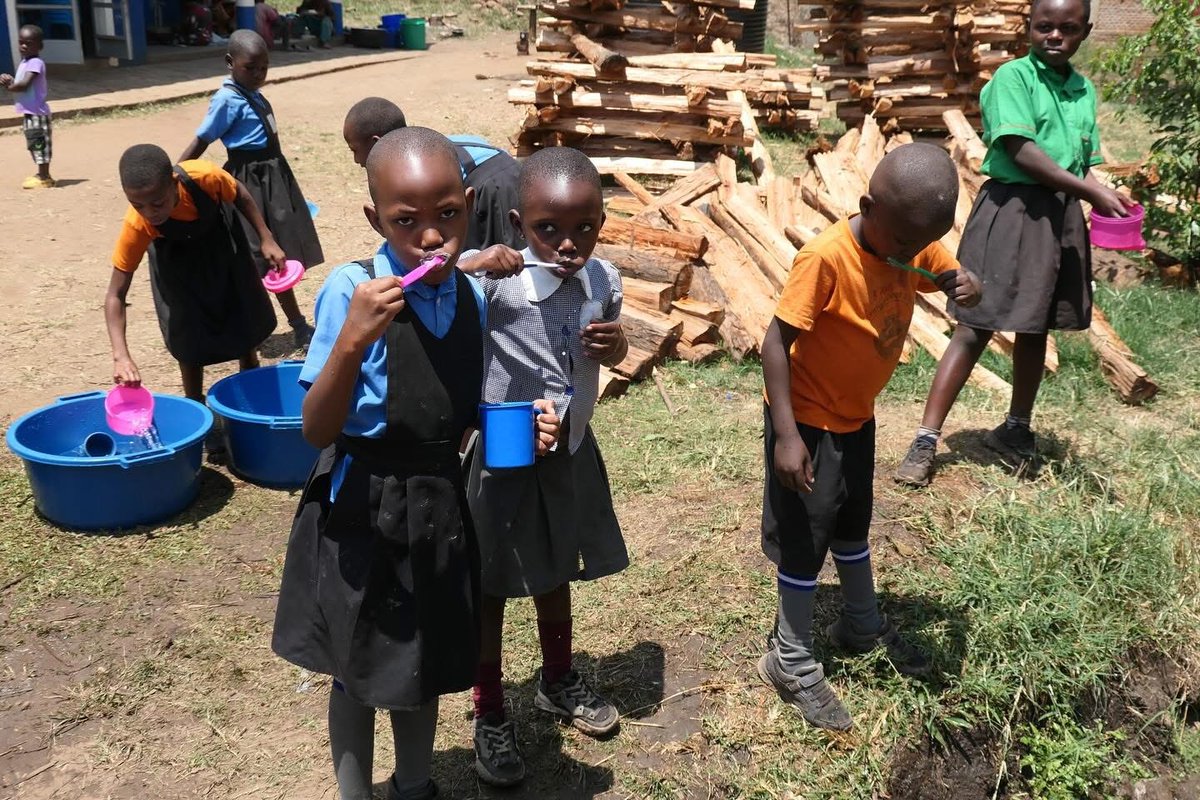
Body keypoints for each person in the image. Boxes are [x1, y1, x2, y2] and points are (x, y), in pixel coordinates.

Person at [270, 127, 558, 800]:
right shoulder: (354, 290)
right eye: (407, 222)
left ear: (469, 202)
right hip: (360, 509)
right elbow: (317, 429)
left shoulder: (468, 299)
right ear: (375, 220)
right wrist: (349, 343)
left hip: (437, 506)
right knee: (357, 667)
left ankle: (417, 783)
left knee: (419, 660)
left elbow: (464, 414)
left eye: (447, 216)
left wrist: (522, 424)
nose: (431, 238)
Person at [757, 143, 982, 731]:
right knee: (807, 538)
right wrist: (786, 435)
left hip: (856, 417)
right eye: (903, 245)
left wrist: (964, 284)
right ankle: (790, 656)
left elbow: (944, 268)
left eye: (918, 244)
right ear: (867, 208)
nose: (911, 255)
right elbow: (774, 344)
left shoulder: (908, 235)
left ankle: (860, 621)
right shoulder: (826, 258)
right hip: (807, 422)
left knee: (853, 521)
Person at [894, 0, 1133, 487]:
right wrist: (1088, 190)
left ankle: (1015, 428)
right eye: (1044, 27)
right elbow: (1020, 151)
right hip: (1011, 210)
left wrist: (1107, 191)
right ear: (1030, 27)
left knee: (1035, 323)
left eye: (1067, 29)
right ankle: (925, 438)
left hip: (1059, 215)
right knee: (975, 322)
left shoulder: (1082, 89)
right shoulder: (1012, 80)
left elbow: (1080, 160)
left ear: (1085, 31)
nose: (1054, 37)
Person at [458, 147, 629, 787]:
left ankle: (556, 677)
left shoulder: (603, 281)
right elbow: (434, 300)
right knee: (494, 583)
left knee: (556, 563)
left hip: (570, 452)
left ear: (603, 220)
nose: (567, 244)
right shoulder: (493, 286)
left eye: (585, 227)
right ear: (516, 222)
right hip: (502, 463)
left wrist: (618, 342)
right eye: (547, 229)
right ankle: (489, 708)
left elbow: (611, 344)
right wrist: (469, 263)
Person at [103, 144, 279, 415]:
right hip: (178, 271)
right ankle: (197, 407)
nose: (150, 212)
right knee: (189, 338)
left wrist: (266, 237)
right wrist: (121, 355)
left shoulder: (204, 177)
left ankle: (251, 388)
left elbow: (240, 194)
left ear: (174, 184)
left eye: (157, 203)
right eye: (138, 205)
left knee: (242, 317)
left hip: (224, 253)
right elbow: (116, 294)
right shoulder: (137, 225)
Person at [179, 29, 322, 349]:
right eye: (250, 67)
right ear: (230, 63)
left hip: (272, 178)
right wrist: (177, 176)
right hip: (250, 183)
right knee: (260, 255)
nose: (258, 74)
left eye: (264, 67)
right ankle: (287, 324)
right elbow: (202, 139)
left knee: (279, 250)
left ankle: (296, 324)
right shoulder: (227, 99)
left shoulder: (251, 93)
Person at [342, 96, 524, 251]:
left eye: (354, 150)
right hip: (510, 170)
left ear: (375, 142)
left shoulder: (409, 166)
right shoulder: (429, 143)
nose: (356, 160)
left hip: (494, 188)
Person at [1, 25, 54, 189]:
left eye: (28, 43)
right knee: (34, 143)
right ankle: (41, 174)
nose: (23, 46)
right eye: (21, 42)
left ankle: (45, 177)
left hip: (37, 114)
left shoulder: (35, 63)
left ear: (40, 46)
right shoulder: (25, 62)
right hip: (30, 113)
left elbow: (23, 85)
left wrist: (9, 84)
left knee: (39, 144)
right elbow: (20, 85)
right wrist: (9, 82)